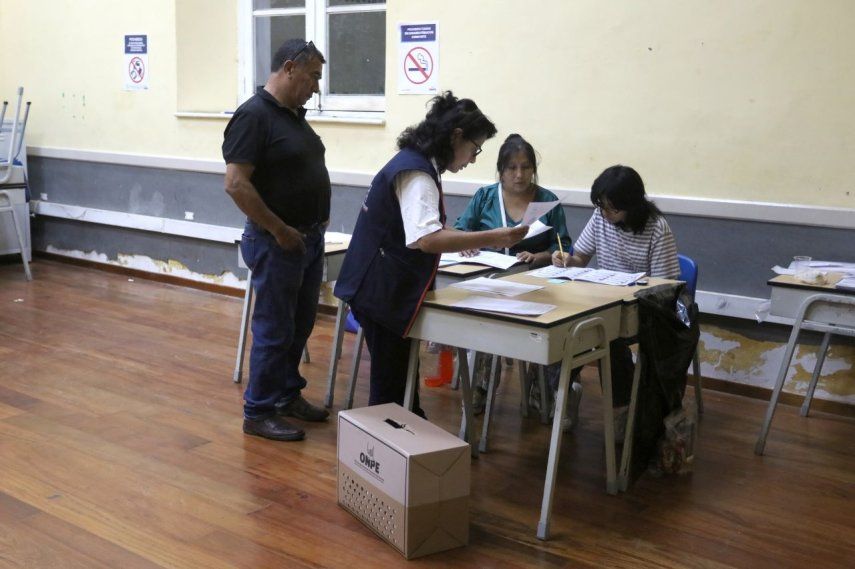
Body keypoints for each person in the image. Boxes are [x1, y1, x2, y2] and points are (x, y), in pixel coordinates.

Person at [334, 92, 528, 418]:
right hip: (382, 292)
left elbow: (419, 225)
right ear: (456, 137)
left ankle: (406, 433)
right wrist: (496, 236)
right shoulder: (418, 172)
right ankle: (384, 451)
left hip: (381, 287)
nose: (473, 158)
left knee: (400, 381)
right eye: (474, 148)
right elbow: (426, 239)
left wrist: (458, 236)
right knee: (390, 386)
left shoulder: (417, 161)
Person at [222, 39, 332, 442]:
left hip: (306, 239)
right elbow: (236, 184)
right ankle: (258, 411)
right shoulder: (254, 116)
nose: (316, 87)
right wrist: (280, 229)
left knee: (299, 325)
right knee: (273, 329)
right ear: (289, 68)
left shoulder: (292, 117)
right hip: (277, 243)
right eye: (313, 77)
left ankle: (286, 395)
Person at [552, 165, 680, 436]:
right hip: (601, 302)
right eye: (602, 207)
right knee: (565, 329)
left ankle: (622, 411)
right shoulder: (600, 217)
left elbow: (665, 290)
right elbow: (580, 259)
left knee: (609, 338)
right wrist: (567, 261)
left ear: (632, 205)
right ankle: (560, 392)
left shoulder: (657, 229)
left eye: (613, 209)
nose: (607, 214)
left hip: (640, 310)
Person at [453, 133, 574, 417]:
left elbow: (563, 246)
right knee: (486, 324)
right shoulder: (485, 197)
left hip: (537, 285)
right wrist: (467, 242)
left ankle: (540, 391)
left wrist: (544, 256)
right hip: (492, 283)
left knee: (550, 328)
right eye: (512, 168)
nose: (520, 175)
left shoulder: (547, 200)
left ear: (533, 169)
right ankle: (481, 388)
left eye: (526, 167)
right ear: (501, 171)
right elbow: (459, 230)